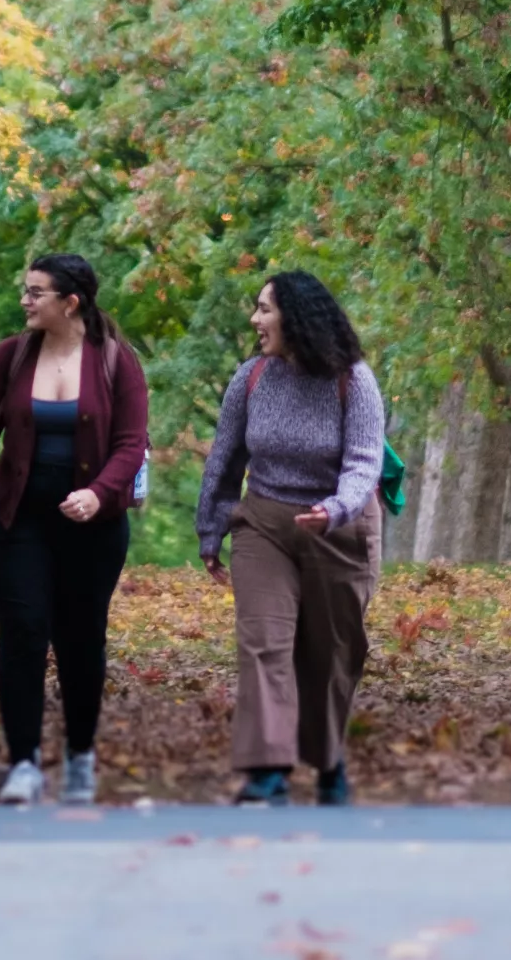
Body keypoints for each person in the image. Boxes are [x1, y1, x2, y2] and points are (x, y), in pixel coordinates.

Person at [0, 253, 150, 805]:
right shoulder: (10, 356)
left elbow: (131, 444)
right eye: (24, 291)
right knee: (25, 632)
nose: (26, 302)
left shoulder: (115, 361)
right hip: (17, 522)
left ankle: (80, 756)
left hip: (93, 527)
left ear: (70, 302)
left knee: (81, 642)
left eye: (36, 293)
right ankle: (24, 764)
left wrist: (99, 493)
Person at [196, 270, 381, 808]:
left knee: (330, 651)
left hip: (339, 527)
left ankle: (327, 758)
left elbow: (364, 461)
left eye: (264, 310)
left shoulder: (353, 379)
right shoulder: (251, 377)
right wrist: (211, 529)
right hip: (266, 524)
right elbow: (225, 458)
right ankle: (268, 770)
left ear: (296, 318)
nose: (255, 320)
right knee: (264, 642)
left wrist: (336, 507)